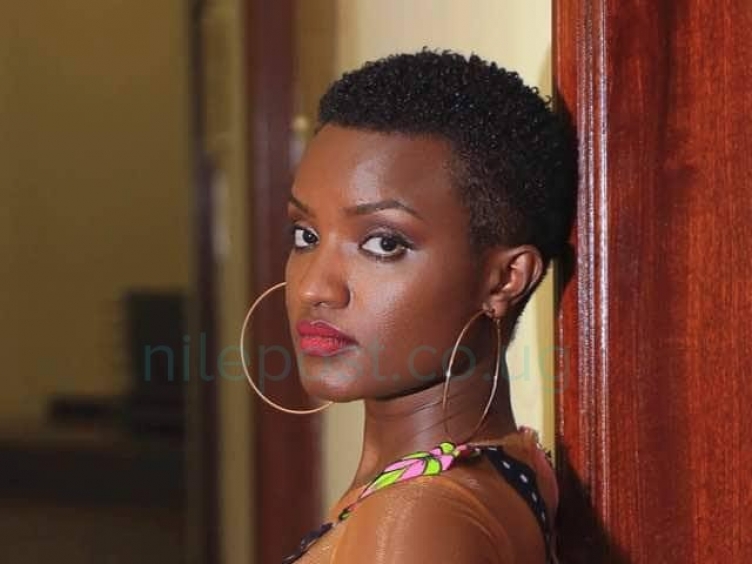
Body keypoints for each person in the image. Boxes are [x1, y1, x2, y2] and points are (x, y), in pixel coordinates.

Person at [241, 50, 576, 563]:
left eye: (383, 243)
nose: (314, 288)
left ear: (505, 279)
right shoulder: (506, 462)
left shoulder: (416, 521)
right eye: (306, 235)